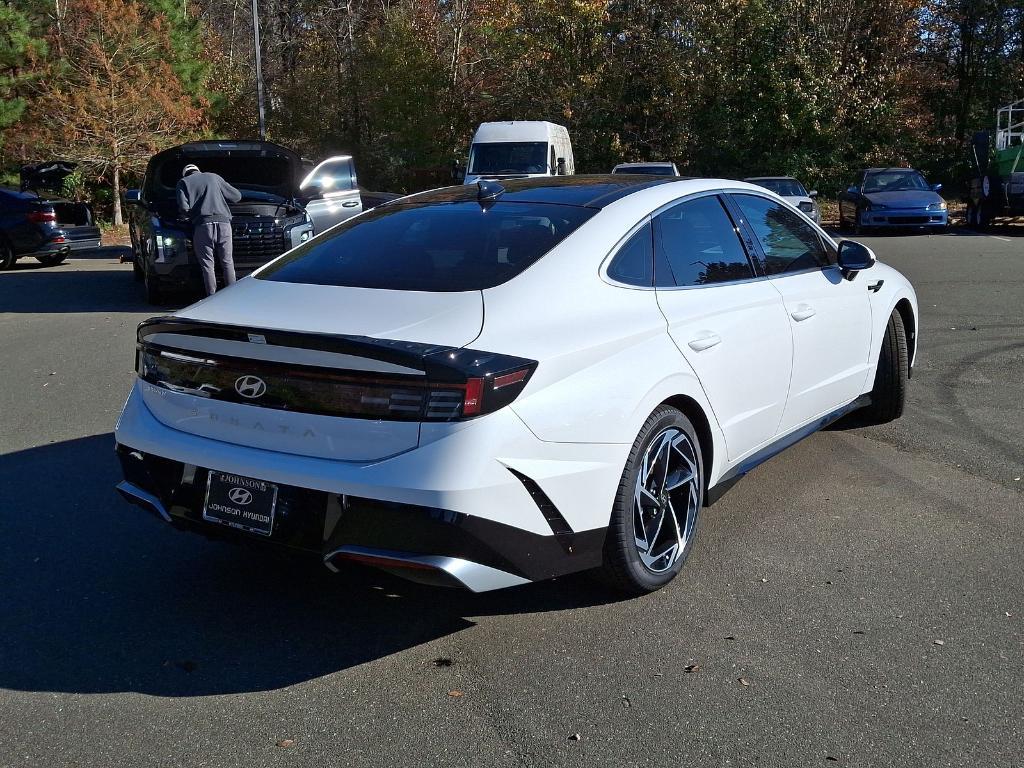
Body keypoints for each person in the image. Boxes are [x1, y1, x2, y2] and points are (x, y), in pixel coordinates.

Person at [176, 163, 242, 296]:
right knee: (227, 262)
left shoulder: (183, 182)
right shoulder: (214, 177)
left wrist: (190, 215)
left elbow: (184, 208)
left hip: (203, 226)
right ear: (198, 170)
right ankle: (233, 295)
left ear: (185, 173)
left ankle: (212, 298)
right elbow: (236, 196)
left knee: (207, 265)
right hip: (224, 224)